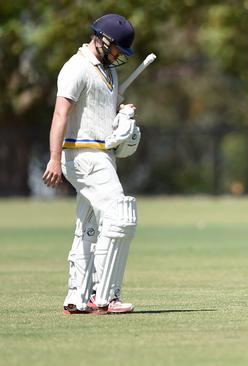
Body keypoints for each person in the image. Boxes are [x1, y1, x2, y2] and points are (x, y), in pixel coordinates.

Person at [42, 13, 141, 315]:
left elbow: (99, 115)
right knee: (120, 216)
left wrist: (122, 114)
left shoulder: (107, 72)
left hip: (101, 155)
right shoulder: (77, 68)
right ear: (102, 39)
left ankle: (77, 297)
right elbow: (61, 114)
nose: (118, 57)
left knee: (89, 228)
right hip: (84, 155)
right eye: (116, 50)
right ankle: (105, 295)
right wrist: (55, 158)